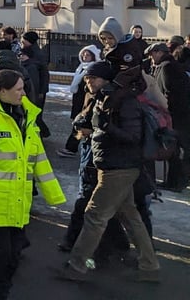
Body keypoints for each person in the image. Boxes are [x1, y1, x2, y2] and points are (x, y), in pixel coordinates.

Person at [0, 70, 65, 299]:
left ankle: (0, 292)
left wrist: (54, 195)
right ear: (2, 91)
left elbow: (38, 158)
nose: (23, 93)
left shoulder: (26, 115)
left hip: (18, 200)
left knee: (14, 253)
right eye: (18, 89)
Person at [61, 61, 160, 283]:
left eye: (93, 77)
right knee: (130, 216)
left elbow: (132, 137)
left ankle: (76, 266)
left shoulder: (124, 101)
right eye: (87, 77)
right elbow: (81, 119)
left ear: (106, 79)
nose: (89, 81)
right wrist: (90, 124)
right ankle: (149, 265)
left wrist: (104, 126)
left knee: (95, 215)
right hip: (111, 165)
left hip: (120, 167)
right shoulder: (102, 97)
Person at [145, 42, 189, 192]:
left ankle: (176, 182)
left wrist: (166, 112)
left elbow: (169, 93)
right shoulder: (168, 65)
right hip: (178, 115)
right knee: (176, 149)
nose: (151, 59)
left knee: (176, 150)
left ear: (159, 53)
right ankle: (174, 181)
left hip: (176, 116)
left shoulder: (167, 67)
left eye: (152, 55)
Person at [58, 45, 101, 158]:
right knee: (79, 123)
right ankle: (75, 146)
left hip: (86, 101)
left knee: (80, 124)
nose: (85, 56)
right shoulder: (81, 67)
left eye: (88, 55)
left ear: (93, 56)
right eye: (84, 54)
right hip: (78, 99)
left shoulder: (94, 68)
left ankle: (71, 147)